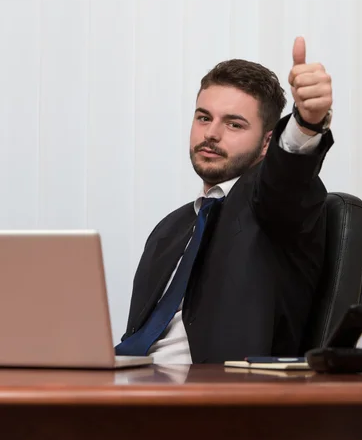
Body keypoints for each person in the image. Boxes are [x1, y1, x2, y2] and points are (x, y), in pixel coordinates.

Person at [115, 37, 333, 364]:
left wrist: (306, 124)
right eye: (204, 118)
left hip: (215, 396)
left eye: (234, 124)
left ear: (266, 143)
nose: (211, 133)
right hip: (133, 386)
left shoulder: (271, 207)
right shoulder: (169, 229)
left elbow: (285, 177)